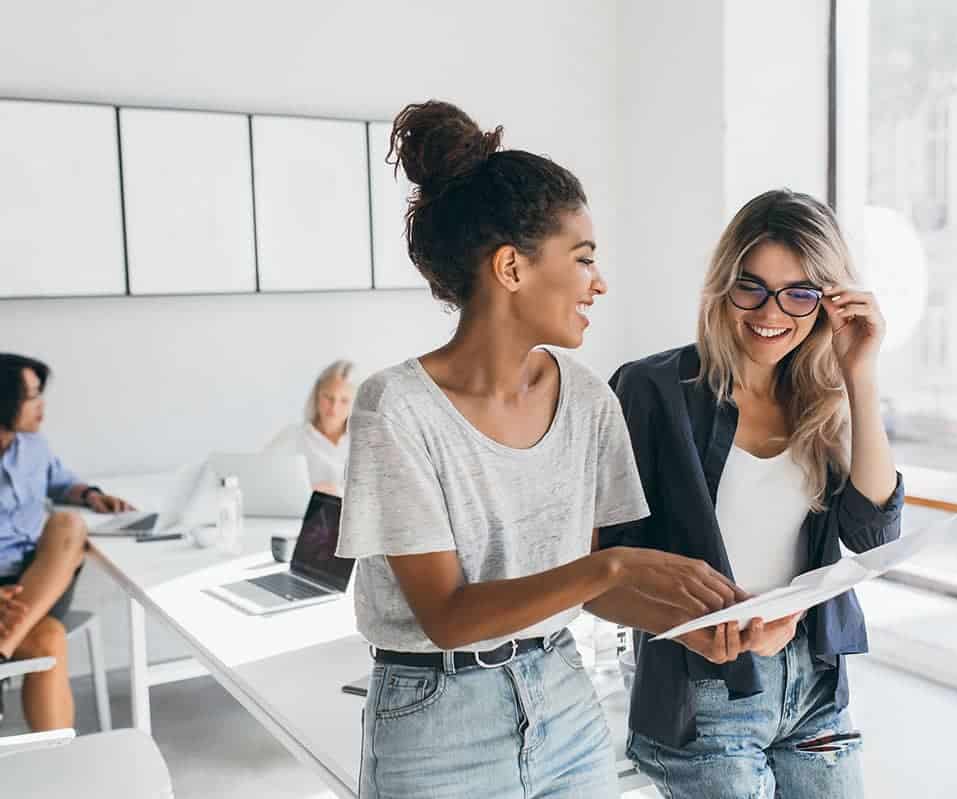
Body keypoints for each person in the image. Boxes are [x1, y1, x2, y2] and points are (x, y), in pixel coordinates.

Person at [335, 101, 764, 799]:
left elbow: (590, 593)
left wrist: (688, 627)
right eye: (585, 258)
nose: (600, 282)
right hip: (435, 722)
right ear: (511, 267)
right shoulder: (398, 409)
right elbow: (447, 614)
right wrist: (611, 564)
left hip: (563, 699)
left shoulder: (590, 400)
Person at [603, 189, 903, 798]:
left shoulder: (824, 398)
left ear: (826, 302)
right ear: (723, 285)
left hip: (814, 687)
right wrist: (696, 627)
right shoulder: (651, 390)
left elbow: (872, 533)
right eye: (753, 287)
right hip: (704, 688)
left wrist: (860, 374)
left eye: (800, 293)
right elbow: (604, 565)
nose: (772, 312)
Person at [0, 354, 134, 730]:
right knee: (50, 640)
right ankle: (58, 762)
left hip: (36, 582)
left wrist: (90, 494)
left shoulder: (34, 446)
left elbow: (60, 482)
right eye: (32, 396)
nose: (41, 405)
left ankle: (3, 643)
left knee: (68, 524)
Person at [266, 360, 355, 496]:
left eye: (344, 401)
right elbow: (263, 478)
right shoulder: (291, 437)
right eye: (328, 397)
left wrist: (338, 492)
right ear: (316, 395)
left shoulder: (365, 443)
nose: (334, 407)